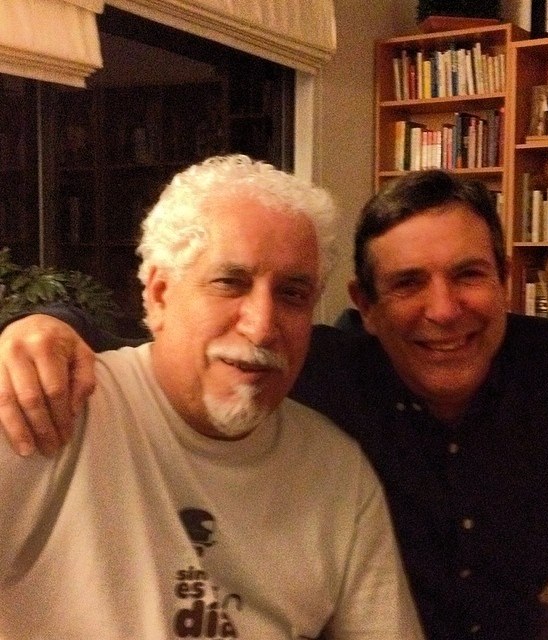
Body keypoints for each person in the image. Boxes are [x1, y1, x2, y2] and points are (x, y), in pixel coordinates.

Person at [1, 170, 548, 640]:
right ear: (366, 307)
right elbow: (161, 358)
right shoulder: (306, 370)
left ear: (505, 280)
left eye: (469, 274)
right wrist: (43, 325)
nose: (444, 310)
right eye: (408, 283)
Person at [0, 155, 424, 640]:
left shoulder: (338, 472)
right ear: (159, 295)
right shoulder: (46, 405)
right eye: (229, 283)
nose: (262, 327)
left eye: (292, 294)